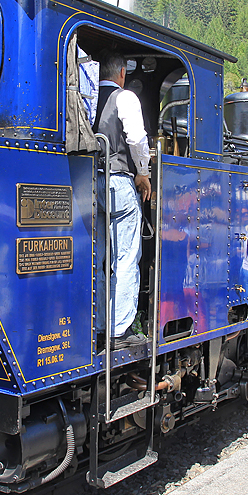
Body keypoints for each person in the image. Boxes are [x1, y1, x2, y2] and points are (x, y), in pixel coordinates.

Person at [93, 53, 151, 342]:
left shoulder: (88, 98)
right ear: (122, 73)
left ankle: (98, 325)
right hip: (119, 181)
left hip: (90, 184)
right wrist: (143, 171)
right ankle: (118, 331)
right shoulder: (124, 97)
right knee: (126, 258)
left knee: (97, 259)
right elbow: (137, 138)